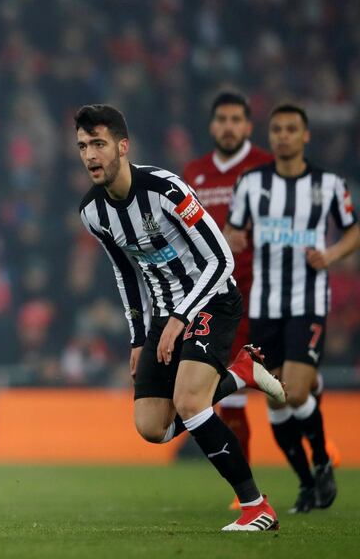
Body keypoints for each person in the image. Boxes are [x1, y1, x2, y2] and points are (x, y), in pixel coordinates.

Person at [76, 104, 285, 531]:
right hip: (164, 315)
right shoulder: (92, 212)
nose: (90, 155)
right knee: (152, 427)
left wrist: (181, 317)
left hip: (212, 299)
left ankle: (255, 506)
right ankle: (241, 372)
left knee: (190, 403)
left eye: (98, 144)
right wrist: (138, 339)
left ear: (122, 145)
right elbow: (126, 274)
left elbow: (221, 257)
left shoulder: (166, 190)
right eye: (82, 146)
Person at [226, 103, 359, 514]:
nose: (283, 135)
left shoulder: (329, 184)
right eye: (277, 129)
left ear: (306, 136)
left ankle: (321, 462)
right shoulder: (251, 183)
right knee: (276, 400)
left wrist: (333, 253)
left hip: (307, 302)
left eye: (291, 129)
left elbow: (353, 229)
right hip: (264, 306)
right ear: (270, 136)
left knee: (296, 389)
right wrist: (234, 238)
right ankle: (307, 483)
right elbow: (234, 227)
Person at [182, 92, 273, 509]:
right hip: (220, 295)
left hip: (269, 289)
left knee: (296, 380)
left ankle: (322, 450)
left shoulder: (264, 168)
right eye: (222, 119)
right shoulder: (193, 174)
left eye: (237, 119)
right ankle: (246, 488)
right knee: (232, 393)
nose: (229, 126)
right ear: (212, 125)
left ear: (248, 125)